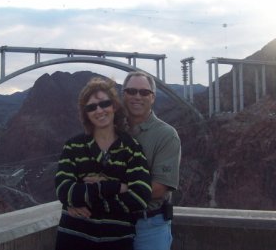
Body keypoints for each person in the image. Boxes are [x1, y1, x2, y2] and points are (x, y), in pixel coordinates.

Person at [54, 77, 152, 250]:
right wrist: (116, 187)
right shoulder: (73, 146)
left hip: (117, 243)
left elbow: (140, 196)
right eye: (91, 107)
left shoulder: (131, 148)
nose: (99, 110)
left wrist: (83, 201)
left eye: (104, 104)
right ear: (86, 114)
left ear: (114, 106)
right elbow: (64, 190)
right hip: (73, 241)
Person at [122, 71, 181, 250]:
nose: (137, 96)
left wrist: (109, 189)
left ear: (153, 97)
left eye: (144, 92)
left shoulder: (166, 135)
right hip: (113, 224)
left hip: (149, 227)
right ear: (123, 95)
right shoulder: (111, 131)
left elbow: (159, 188)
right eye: (131, 91)